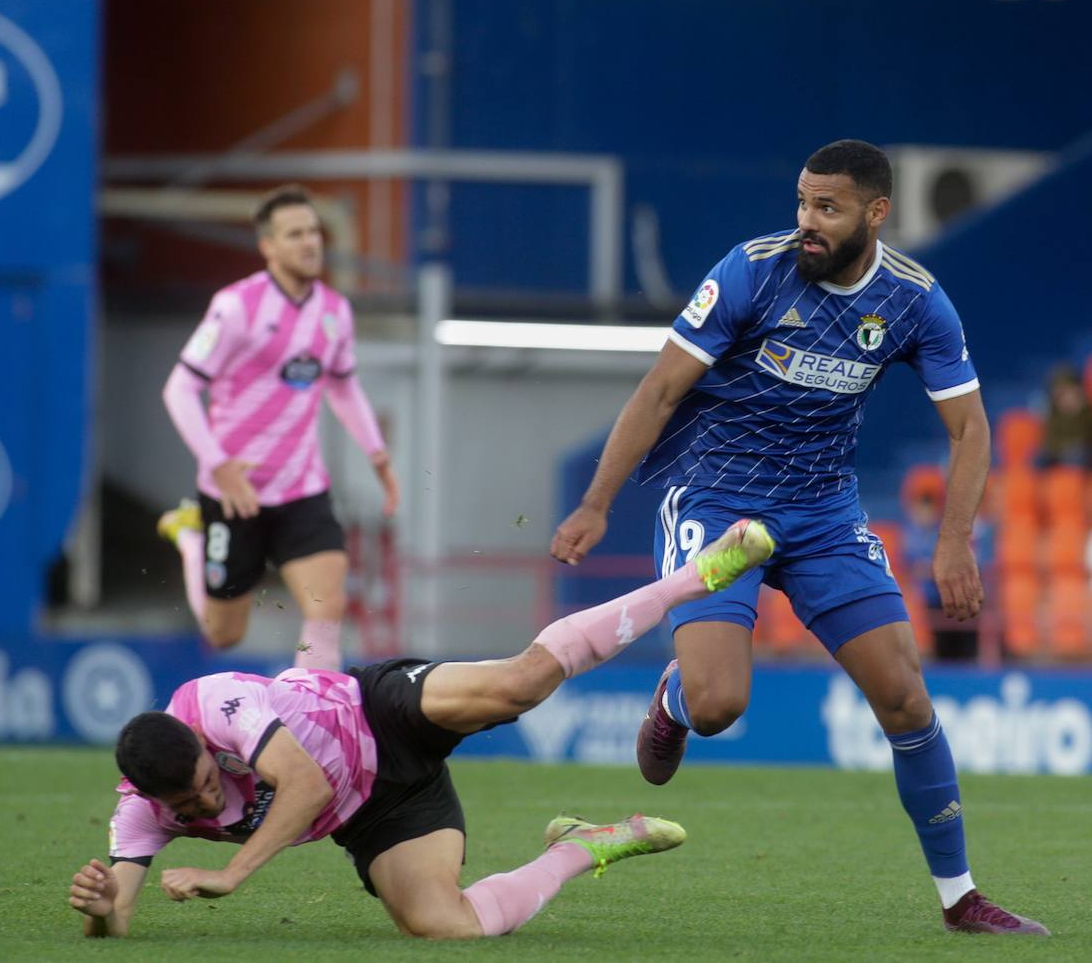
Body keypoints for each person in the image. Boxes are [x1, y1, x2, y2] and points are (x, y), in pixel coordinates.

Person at [551, 139, 1047, 936]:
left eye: (828, 208)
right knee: (720, 705)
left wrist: (955, 541)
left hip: (823, 513)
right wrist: (596, 502)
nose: (807, 223)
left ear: (876, 213)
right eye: (802, 203)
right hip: (717, 502)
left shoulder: (916, 301)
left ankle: (961, 899)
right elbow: (662, 388)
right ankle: (675, 698)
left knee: (905, 696)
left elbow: (971, 429)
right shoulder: (752, 269)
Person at [67, 519, 775, 939]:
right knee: (448, 927)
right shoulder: (140, 813)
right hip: (379, 810)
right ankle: (583, 845)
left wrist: (231, 873)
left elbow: (305, 785)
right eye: (187, 806)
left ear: (196, 744)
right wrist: (103, 911)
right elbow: (119, 915)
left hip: (379, 710)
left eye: (202, 780)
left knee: (519, 685)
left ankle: (697, 575)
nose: (203, 801)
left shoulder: (213, 703)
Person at [159, 186, 399, 671]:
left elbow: (343, 388)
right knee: (224, 634)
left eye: (314, 231)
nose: (310, 242)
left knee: (327, 608)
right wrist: (218, 465)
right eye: (295, 234)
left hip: (301, 488)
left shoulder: (335, 312)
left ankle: (307, 712)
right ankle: (191, 540)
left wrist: (377, 454)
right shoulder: (235, 307)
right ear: (268, 246)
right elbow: (178, 390)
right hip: (234, 492)